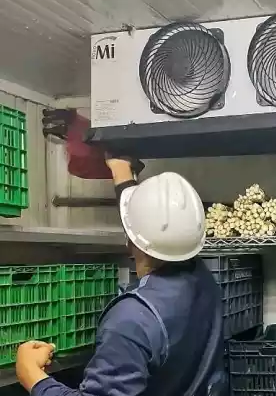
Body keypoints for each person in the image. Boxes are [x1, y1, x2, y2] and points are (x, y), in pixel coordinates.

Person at [15, 157, 225, 396]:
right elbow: (147, 229)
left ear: (129, 241)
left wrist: (32, 375)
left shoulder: (131, 321)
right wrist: (121, 170)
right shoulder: (202, 277)